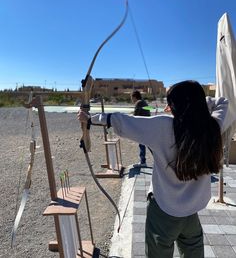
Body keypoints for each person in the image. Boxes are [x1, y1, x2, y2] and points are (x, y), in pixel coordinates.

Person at [78, 80, 228, 258]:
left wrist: (89, 119)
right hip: (191, 213)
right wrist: (199, 104)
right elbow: (223, 102)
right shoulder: (212, 127)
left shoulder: (164, 127)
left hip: (163, 212)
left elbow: (123, 122)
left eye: (170, 102)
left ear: (174, 105)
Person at [131, 90, 151, 167]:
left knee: (142, 144)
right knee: (148, 144)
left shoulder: (138, 102)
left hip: (143, 127)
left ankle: (143, 162)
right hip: (147, 125)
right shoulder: (143, 102)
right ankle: (158, 160)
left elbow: (135, 116)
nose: (132, 100)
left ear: (134, 97)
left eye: (132, 98)